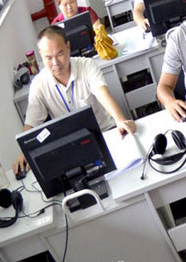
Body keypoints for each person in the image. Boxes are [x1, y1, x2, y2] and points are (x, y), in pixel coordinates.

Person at [13, 26, 135, 174]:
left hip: (105, 135)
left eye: (59, 54)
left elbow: (103, 95)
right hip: (73, 147)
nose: (55, 63)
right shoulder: (39, 84)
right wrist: (22, 153)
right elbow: (31, 123)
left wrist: (120, 119)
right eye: (48, 58)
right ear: (41, 56)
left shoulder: (86, 65)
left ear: (68, 47)